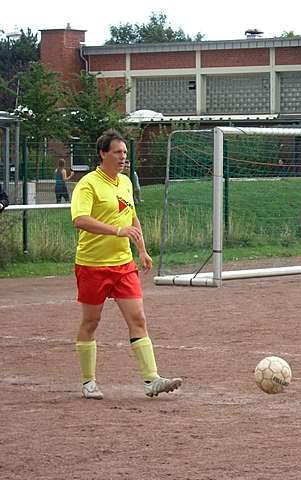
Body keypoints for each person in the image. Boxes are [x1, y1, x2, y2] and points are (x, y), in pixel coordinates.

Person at [71, 129, 182, 400]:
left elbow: (132, 218)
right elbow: (80, 219)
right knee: (91, 321)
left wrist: (142, 250)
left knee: (138, 319)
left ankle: (151, 380)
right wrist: (116, 231)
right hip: (92, 264)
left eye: (125, 153)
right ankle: (88, 382)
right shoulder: (88, 184)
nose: (123, 157)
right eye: (118, 152)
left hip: (123, 264)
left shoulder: (125, 182)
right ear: (103, 154)